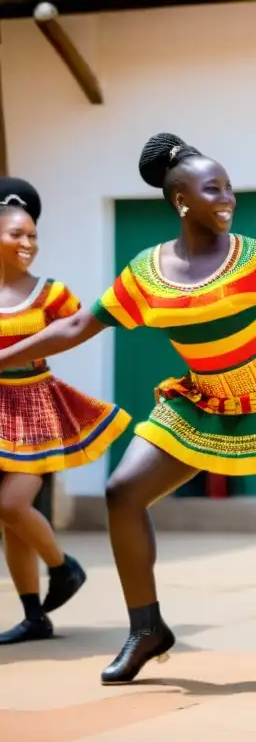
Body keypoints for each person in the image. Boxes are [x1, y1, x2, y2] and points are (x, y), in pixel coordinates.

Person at [0, 134, 256, 685]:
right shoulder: (146, 271)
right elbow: (76, 324)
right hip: (199, 399)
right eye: (214, 189)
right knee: (123, 492)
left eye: (230, 187)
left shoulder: (251, 256)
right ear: (182, 201)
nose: (228, 197)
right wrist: (6, 355)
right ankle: (146, 629)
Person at [0, 177, 130, 645]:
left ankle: (64, 567)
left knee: (12, 503)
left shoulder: (49, 292)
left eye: (33, 235)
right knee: (10, 519)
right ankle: (35, 616)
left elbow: (78, 327)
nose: (27, 243)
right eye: (17, 234)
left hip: (35, 406)